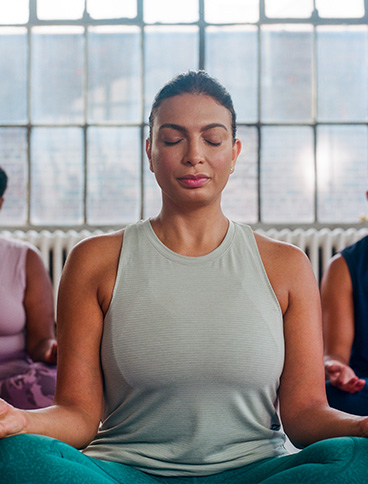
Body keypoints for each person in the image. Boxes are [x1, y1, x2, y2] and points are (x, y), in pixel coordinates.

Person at [1, 71, 368, 484]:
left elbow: (304, 417)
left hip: (254, 474)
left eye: (212, 139)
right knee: (16, 455)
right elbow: (78, 415)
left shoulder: (287, 265)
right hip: (125, 473)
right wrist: (19, 420)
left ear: (234, 152)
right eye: (173, 139)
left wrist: (360, 427)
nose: (194, 155)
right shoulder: (94, 260)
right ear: (150, 151)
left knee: (358, 458)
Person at [0, 166, 57, 409]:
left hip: (11, 383)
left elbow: (40, 342)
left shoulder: (24, 258)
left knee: (53, 386)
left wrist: (53, 351)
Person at [321, 229, 368, 416]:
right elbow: (336, 355)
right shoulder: (343, 266)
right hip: (363, 387)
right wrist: (337, 367)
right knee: (323, 398)